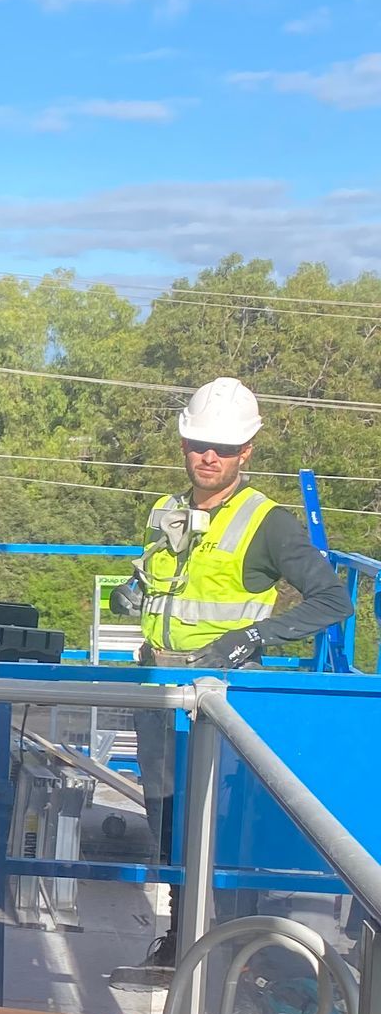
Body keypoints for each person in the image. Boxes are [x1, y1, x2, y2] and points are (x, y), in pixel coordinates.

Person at [108, 377, 349, 966]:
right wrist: (130, 593)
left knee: (223, 821)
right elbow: (162, 580)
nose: (207, 457)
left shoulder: (267, 523)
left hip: (218, 695)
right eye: (197, 444)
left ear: (247, 451)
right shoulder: (164, 511)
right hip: (159, 687)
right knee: (166, 815)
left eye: (222, 447)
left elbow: (333, 600)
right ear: (184, 443)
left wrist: (253, 637)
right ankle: (177, 937)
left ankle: (235, 947)